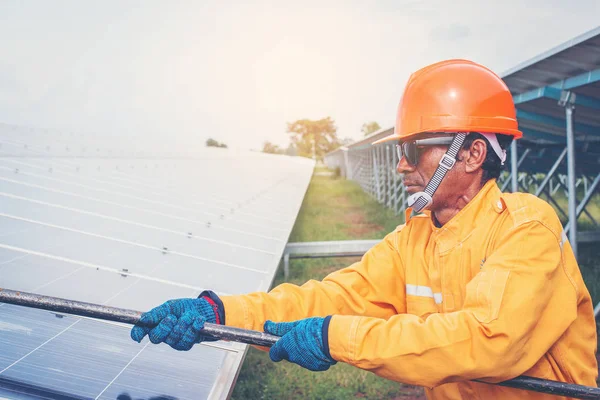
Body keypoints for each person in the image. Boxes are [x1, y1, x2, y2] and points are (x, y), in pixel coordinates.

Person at [130, 59, 598, 399]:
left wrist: (339, 337)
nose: (400, 164)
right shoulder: (412, 240)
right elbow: (327, 298)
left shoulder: (527, 227)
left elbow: (488, 339)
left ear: (473, 154)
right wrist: (219, 313)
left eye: (415, 149)